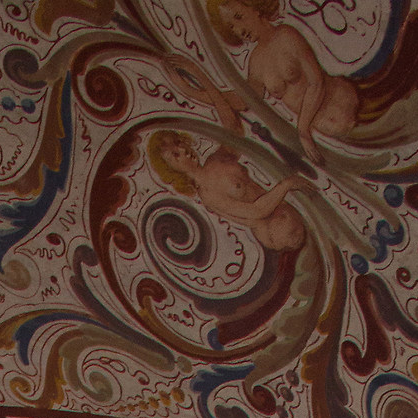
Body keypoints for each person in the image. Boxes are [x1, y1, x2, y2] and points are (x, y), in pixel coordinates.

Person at [207, 0, 360, 145]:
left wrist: (303, 130)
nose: (239, 30)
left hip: (344, 106)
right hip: (326, 133)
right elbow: (244, 100)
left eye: (239, 17)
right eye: (232, 27)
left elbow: (316, 83)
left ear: (255, 7)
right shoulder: (256, 62)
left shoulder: (287, 35)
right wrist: (195, 89)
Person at [148, 129, 308, 253]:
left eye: (178, 142)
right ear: (172, 170)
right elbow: (256, 212)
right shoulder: (208, 194)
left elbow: (235, 132)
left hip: (291, 218)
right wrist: (287, 184)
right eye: (175, 154)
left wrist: (213, 91)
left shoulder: (215, 160)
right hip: (277, 233)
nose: (182, 150)